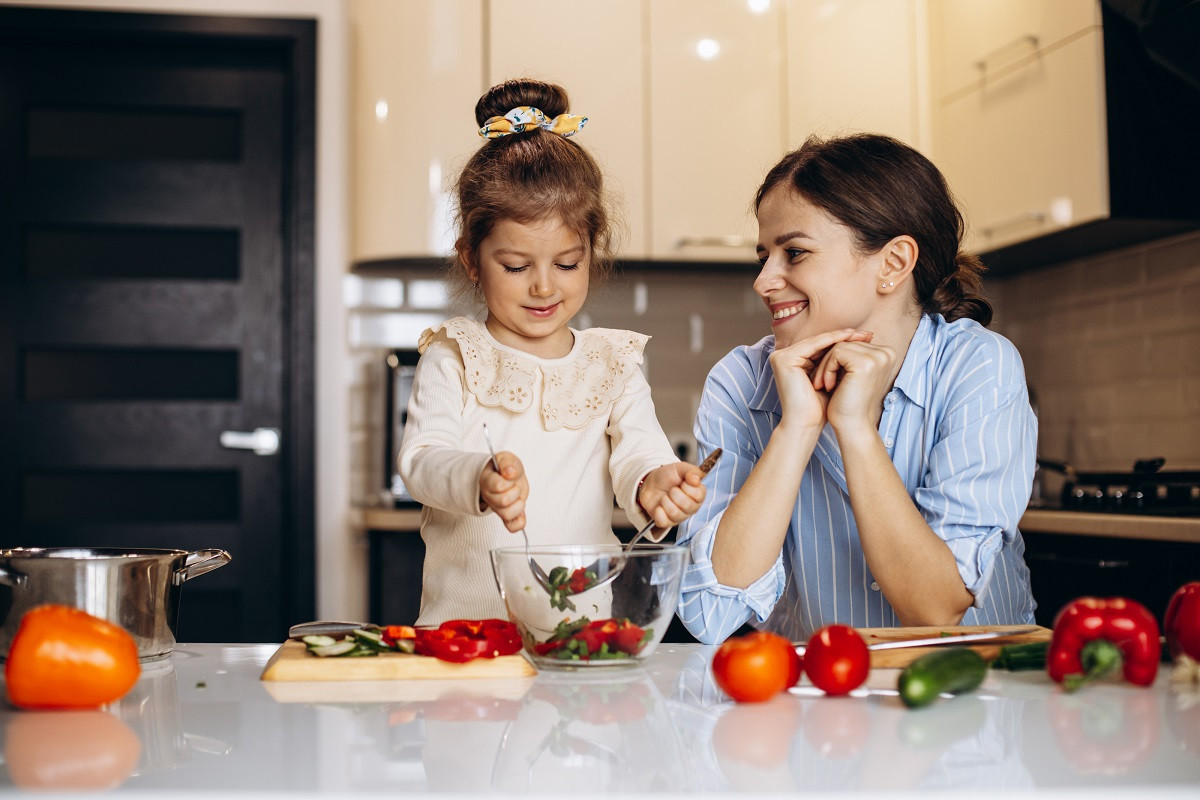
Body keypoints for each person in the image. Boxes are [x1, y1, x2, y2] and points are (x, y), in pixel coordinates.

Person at [676, 133, 1038, 644]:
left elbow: (937, 608)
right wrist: (796, 427)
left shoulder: (979, 365)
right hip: (816, 700)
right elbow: (709, 613)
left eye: (794, 253)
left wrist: (854, 428)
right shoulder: (741, 382)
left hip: (969, 693)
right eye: (763, 256)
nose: (763, 280)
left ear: (892, 264)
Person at [399, 79, 707, 626]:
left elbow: (640, 453)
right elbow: (422, 462)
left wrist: (656, 483)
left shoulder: (612, 364)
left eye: (567, 264)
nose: (545, 287)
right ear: (472, 259)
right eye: (516, 267)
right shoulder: (456, 355)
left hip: (580, 633)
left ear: (592, 251)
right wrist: (477, 477)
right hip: (464, 636)